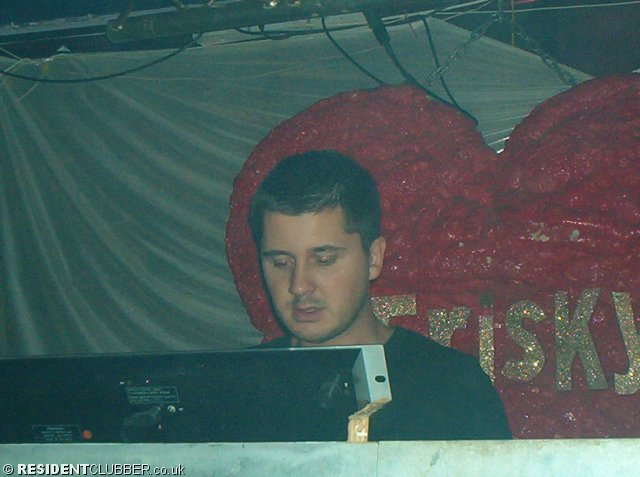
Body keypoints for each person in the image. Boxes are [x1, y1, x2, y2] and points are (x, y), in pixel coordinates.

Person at [248, 149, 512, 440]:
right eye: (280, 263)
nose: (299, 285)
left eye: (324, 260)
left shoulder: (450, 387)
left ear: (373, 258)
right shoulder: (240, 386)